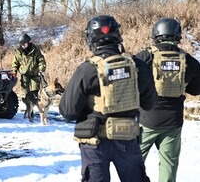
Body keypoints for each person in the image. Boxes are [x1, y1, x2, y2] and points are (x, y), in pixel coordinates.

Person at [59, 15, 157, 182]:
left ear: (91, 39)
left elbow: (68, 111)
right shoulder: (138, 66)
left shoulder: (86, 70)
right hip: (127, 139)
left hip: (94, 142)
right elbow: (150, 103)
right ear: (117, 35)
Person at [135, 17, 200, 182]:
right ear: (177, 35)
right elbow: (196, 89)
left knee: (133, 164)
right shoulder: (188, 60)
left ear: (156, 34)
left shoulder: (145, 56)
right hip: (173, 123)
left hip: (146, 121)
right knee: (168, 167)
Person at [11, 33, 47, 98]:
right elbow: (15, 63)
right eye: (22, 45)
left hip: (35, 74)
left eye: (24, 44)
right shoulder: (19, 52)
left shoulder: (35, 50)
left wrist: (41, 68)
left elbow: (41, 60)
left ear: (29, 42)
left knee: (35, 92)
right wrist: (14, 71)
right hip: (24, 74)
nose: (23, 46)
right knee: (26, 93)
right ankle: (28, 106)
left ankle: (36, 105)